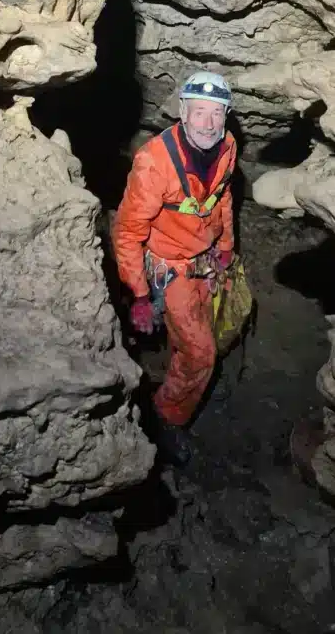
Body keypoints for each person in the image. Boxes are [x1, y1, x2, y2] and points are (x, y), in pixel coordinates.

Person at [112, 71, 237, 466]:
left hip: (206, 255)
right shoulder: (154, 163)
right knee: (202, 354)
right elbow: (128, 231)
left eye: (217, 114)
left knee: (218, 320)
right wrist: (139, 294)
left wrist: (226, 249)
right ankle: (167, 418)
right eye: (199, 112)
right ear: (182, 112)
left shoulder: (228, 146)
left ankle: (182, 367)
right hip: (171, 265)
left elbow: (222, 199)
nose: (208, 123)